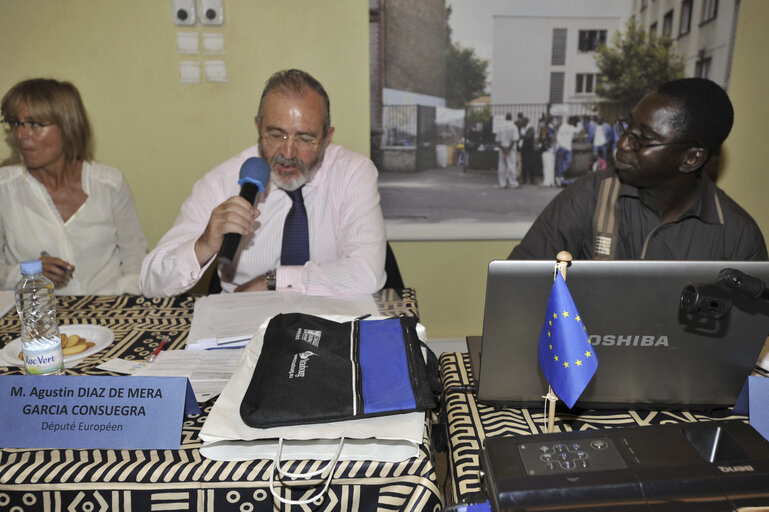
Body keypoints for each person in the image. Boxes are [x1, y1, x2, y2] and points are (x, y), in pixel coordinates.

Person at [140, 69, 386, 297]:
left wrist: (272, 282)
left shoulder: (353, 173)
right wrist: (204, 244)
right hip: (242, 325)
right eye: (276, 135)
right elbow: (150, 282)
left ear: (326, 138)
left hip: (331, 319)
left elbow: (366, 274)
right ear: (258, 127)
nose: (288, 152)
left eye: (305, 138)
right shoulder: (221, 182)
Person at [509, 77, 767, 261]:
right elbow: (517, 287)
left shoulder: (739, 238)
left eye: (641, 138)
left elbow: (745, 333)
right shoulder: (590, 195)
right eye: (627, 128)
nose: (621, 144)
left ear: (691, 159)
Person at [0, 78, 147, 294]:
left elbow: (135, 259)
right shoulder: (4, 188)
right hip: (37, 317)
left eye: (35, 124)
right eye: (16, 123)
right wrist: (26, 274)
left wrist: (125, 307)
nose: (21, 135)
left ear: (68, 126)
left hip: (109, 312)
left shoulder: (109, 184)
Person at [554, 116, 581, 186]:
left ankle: (559, 175)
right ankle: (558, 177)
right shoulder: (563, 126)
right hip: (562, 147)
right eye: (574, 122)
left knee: (567, 162)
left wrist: (579, 122)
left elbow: (578, 130)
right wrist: (561, 145)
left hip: (568, 148)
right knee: (560, 163)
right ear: (570, 121)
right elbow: (558, 136)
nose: (574, 123)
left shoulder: (571, 127)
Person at [495, 113, 519, 189]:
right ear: (511, 118)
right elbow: (514, 140)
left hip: (502, 149)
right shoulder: (514, 127)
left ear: (505, 118)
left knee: (502, 166)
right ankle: (513, 183)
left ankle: (503, 184)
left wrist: (504, 150)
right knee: (511, 166)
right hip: (511, 150)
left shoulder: (500, 127)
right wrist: (508, 150)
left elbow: (497, 141)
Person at [539, 116, 557, 187]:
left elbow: (543, 139)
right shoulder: (552, 128)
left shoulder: (544, 128)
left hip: (547, 149)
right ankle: (551, 181)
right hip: (552, 149)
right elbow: (554, 138)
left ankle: (546, 182)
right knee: (551, 166)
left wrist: (548, 144)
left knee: (546, 166)